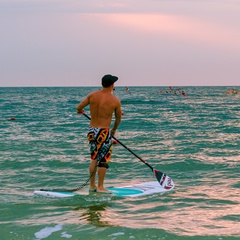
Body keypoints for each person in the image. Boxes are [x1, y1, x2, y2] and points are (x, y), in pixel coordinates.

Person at [76, 74, 122, 193]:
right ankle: (101, 187)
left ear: (102, 84)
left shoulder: (92, 95)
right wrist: (113, 130)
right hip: (104, 131)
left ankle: (92, 186)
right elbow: (118, 119)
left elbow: (78, 108)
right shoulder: (115, 100)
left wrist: (81, 111)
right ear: (112, 85)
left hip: (92, 131)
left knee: (94, 158)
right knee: (103, 160)